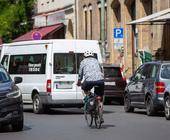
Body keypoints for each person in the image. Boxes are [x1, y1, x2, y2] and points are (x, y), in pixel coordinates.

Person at [77, 50, 105, 122]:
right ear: (93, 55)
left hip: (89, 81)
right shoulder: (96, 61)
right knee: (100, 97)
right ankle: (101, 114)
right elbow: (101, 71)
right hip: (100, 81)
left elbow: (80, 73)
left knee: (84, 88)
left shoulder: (83, 62)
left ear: (84, 56)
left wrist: (79, 81)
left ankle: (90, 96)